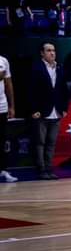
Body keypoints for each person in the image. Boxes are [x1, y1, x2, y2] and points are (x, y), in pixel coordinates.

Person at [29, 41, 67, 181]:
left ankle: (49, 168)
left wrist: (64, 108)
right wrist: (34, 109)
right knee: (40, 143)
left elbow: (64, 89)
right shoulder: (36, 68)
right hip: (41, 111)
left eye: (53, 50)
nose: (52, 53)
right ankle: (41, 169)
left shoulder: (60, 68)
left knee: (51, 142)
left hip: (56, 111)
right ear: (42, 53)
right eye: (48, 50)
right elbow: (30, 90)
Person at [0, 53, 12, 183]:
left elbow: (8, 84)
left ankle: (3, 170)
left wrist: (11, 106)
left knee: (2, 140)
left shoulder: (3, 60)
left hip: (2, 107)